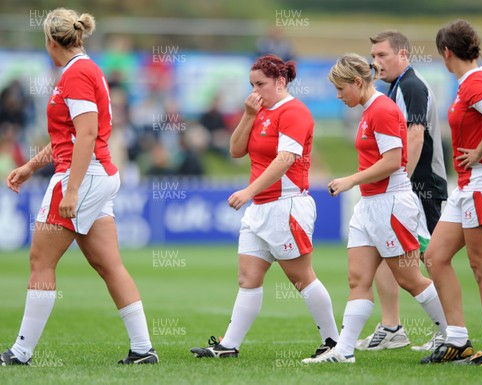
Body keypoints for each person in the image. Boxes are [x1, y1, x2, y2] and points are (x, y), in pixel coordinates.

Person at [0, 8, 157, 366]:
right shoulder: (84, 69)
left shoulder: (76, 75)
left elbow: (86, 135)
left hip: (83, 176)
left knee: (41, 260)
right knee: (109, 264)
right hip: (95, 174)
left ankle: (20, 353)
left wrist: (71, 190)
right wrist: (29, 166)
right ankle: (143, 350)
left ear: (52, 42)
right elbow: (69, 138)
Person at [190, 54, 339, 359]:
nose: (255, 91)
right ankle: (229, 346)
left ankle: (333, 343)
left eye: (261, 84)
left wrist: (248, 191)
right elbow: (234, 151)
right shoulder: (259, 110)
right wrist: (247, 115)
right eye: (251, 84)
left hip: (286, 206)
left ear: (281, 82)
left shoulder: (295, 112)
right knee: (248, 277)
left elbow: (285, 160)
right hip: (260, 207)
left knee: (301, 278)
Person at [302, 54, 447, 364]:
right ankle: (344, 351)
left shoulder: (382, 110)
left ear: (357, 82)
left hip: (390, 204)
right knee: (358, 279)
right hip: (369, 205)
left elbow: (394, 161)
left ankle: (453, 337)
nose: (338, 96)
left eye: (341, 89)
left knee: (409, 278)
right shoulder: (369, 110)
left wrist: (350, 180)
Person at [420, 19, 482, 366]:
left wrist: (479, 152)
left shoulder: (474, 81)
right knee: (434, 256)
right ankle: (457, 340)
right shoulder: (471, 82)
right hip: (468, 186)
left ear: (447, 52)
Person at [354, 30, 448, 352]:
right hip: (405, 188)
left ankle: (450, 331)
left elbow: (416, 137)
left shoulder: (411, 85)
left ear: (404, 55)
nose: (376, 62)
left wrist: (400, 186)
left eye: (383, 55)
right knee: (387, 255)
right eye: (374, 56)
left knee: (432, 258)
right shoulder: (394, 87)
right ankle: (392, 327)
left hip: (420, 188)